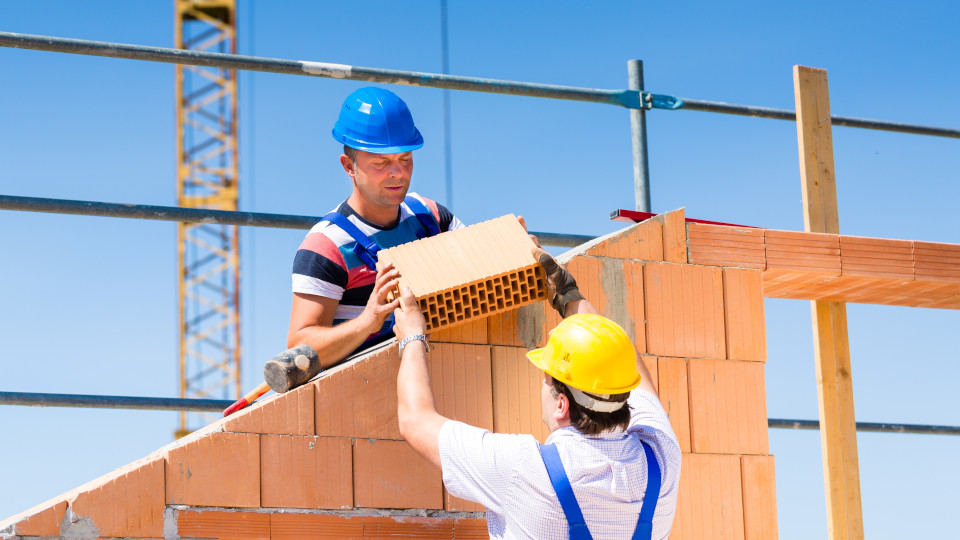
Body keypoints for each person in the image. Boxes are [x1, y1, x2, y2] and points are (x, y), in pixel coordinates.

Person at [393, 248, 682, 539]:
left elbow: (415, 420)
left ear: (561, 404)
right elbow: (618, 360)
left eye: (546, 378)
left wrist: (411, 336)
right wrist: (569, 295)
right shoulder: (661, 458)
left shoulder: (523, 470)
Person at [288, 86, 464, 367]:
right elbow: (299, 350)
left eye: (405, 159)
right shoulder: (326, 247)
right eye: (381, 163)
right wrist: (367, 321)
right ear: (349, 166)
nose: (397, 173)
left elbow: (480, 269)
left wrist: (516, 251)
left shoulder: (430, 216)